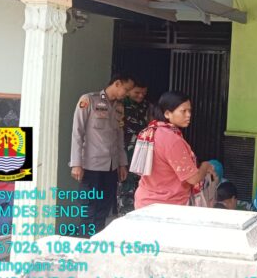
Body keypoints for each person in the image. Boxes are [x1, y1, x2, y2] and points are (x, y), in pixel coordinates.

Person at [70, 73, 134, 234]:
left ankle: (97, 238)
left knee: (104, 206)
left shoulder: (119, 107)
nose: (127, 94)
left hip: (111, 166)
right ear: (117, 83)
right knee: (88, 205)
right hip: (91, 165)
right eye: (126, 89)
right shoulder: (89, 100)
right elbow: (77, 132)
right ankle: (85, 239)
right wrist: (76, 163)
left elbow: (119, 137)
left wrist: (122, 164)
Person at [134, 91, 215, 209]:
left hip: (144, 201)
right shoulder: (172, 139)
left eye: (190, 111)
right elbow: (193, 179)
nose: (188, 115)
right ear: (167, 113)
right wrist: (205, 166)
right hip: (168, 205)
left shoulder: (149, 131)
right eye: (183, 111)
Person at [116, 80, 152, 216]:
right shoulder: (120, 105)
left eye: (144, 93)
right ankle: (124, 214)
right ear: (128, 90)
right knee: (125, 183)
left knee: (142, 184)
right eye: (137, 92)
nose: (141, 96)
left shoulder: (148, 106)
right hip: (125, 152)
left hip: (143, 151)